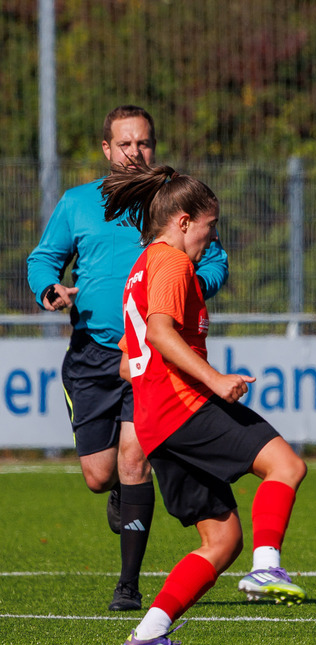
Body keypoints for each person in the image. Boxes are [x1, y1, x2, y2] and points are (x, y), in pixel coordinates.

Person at [101, 158, 308, 645]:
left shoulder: (140, 268)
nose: (211, 240)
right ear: (183, 220)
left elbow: (130, 363)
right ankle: (267, 566)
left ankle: (147, 635)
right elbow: (159, 333)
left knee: (221, 539)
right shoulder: (171, 261)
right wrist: (214, 379)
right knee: (286, 464)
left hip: (155, 423)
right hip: (183, 406)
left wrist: (160, 369)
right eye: (210, 227)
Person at [26, 105, 229, 612]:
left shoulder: (173, 202)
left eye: (143, 143)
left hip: (149, 354)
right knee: (101, 475)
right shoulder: (78, 203)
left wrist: (188, 287)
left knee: (135, 456)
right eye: (125, 144)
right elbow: (43, 258)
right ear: (106, 150)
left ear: (153, 147)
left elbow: (217, 258)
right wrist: (48, 288)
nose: (135, 152)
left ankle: (129, 585)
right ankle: (118, 489)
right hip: (92, 355)